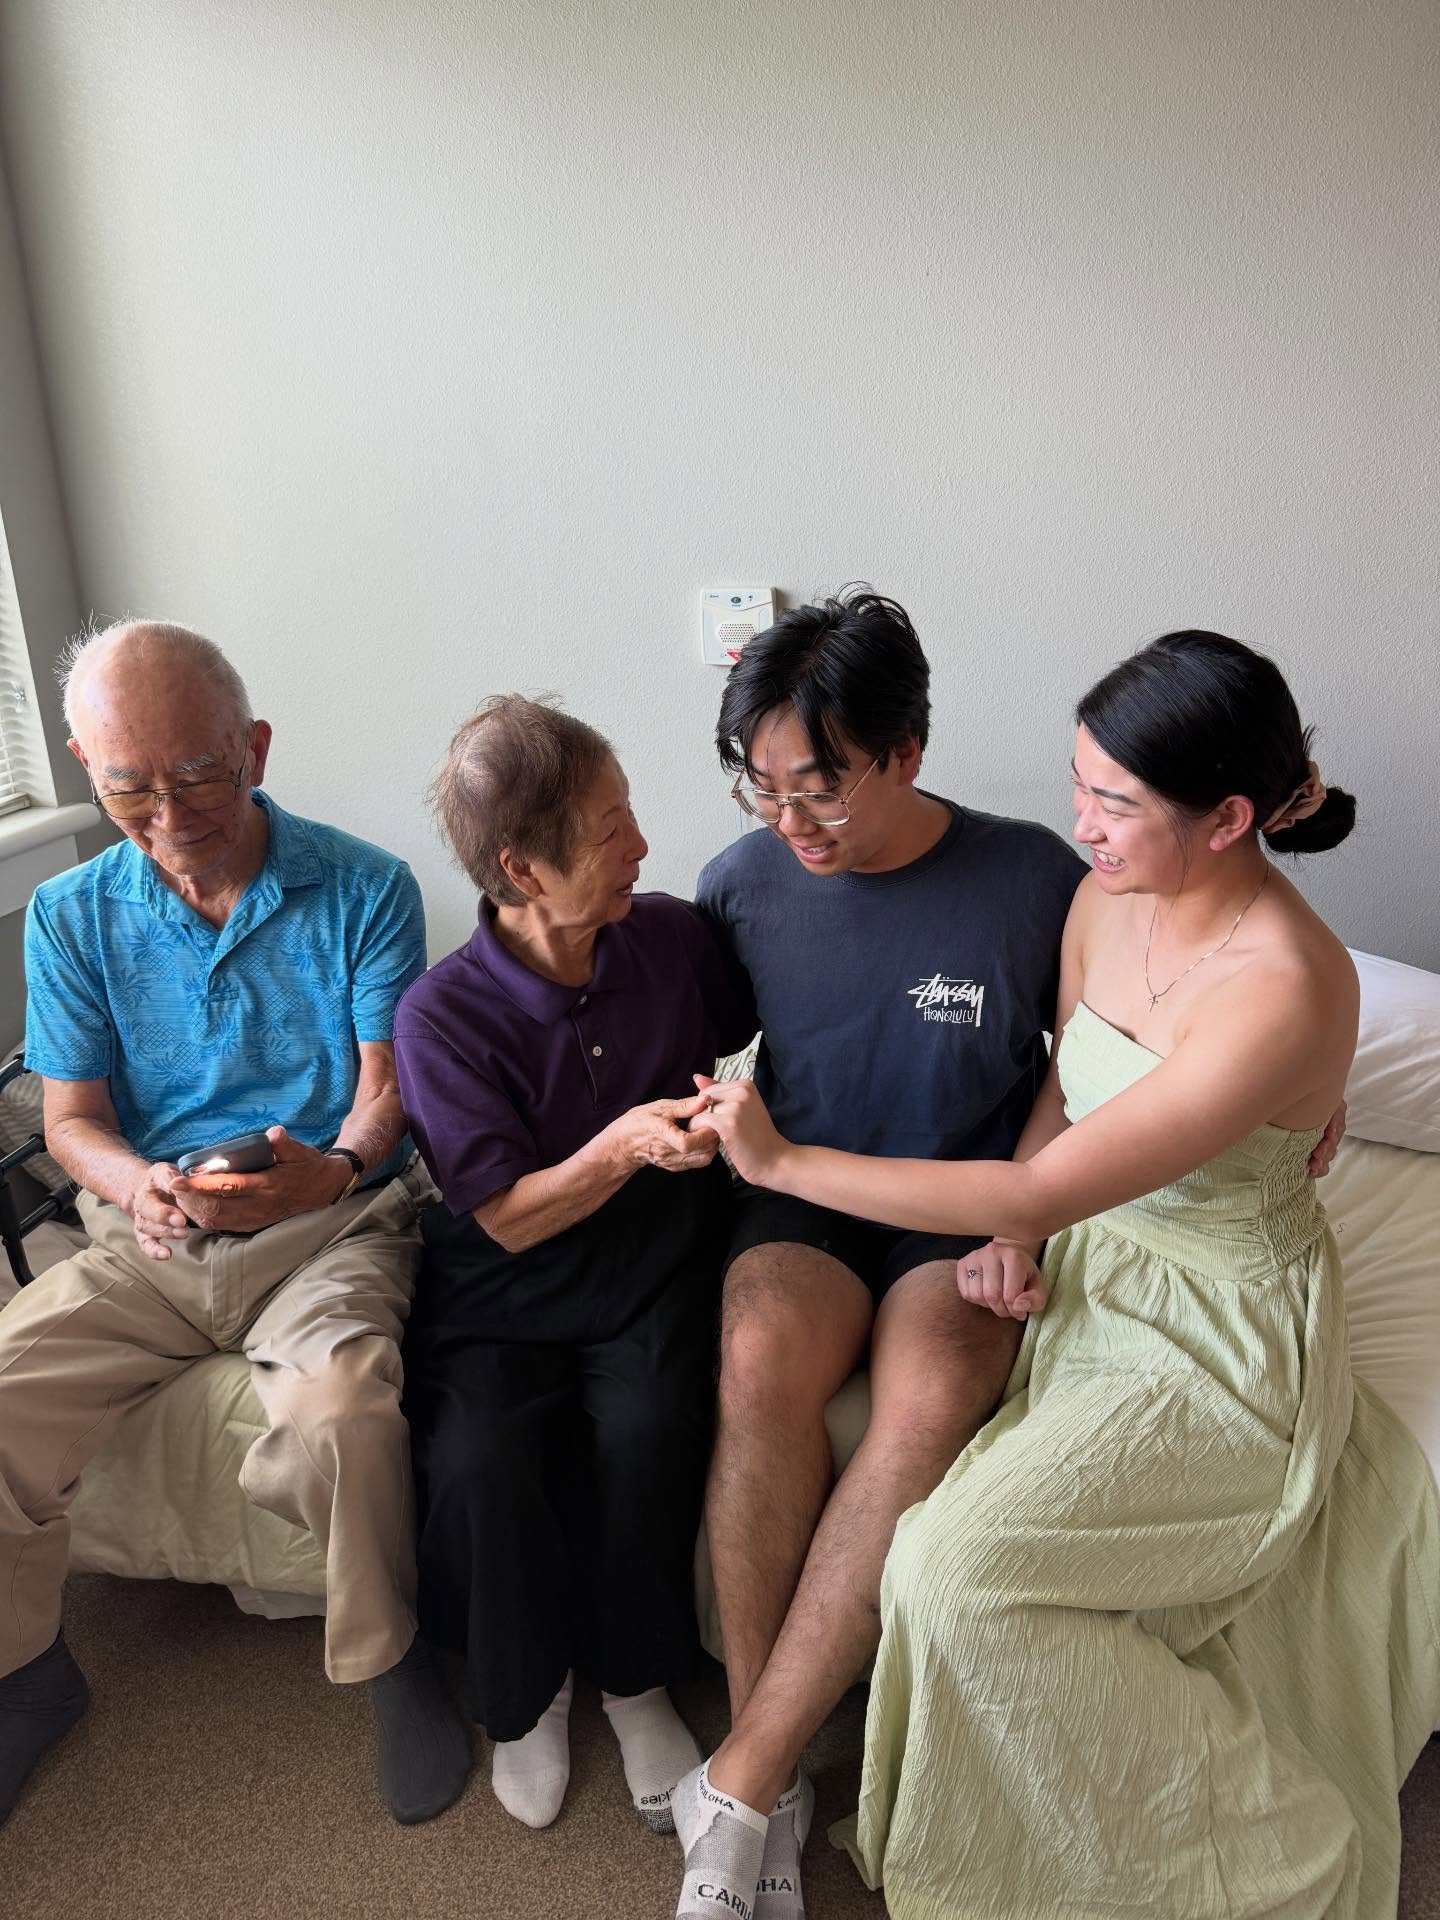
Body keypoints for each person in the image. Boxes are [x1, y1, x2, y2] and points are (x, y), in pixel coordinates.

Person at [693, 630, 1439, 1919]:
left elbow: (1037, 1182)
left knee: (953, 1571)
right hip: (1097, 1270)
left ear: (1230, 820)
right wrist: (1026, 1242)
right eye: (1078, 782)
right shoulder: (1104, 897)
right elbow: (1064, 1090)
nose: (1079, 821)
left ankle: (1284, 1855)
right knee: (894, 1505)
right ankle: (810, 1780)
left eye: (1114, 801)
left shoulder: (1283, 983)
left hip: (1217, 1327)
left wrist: (790, 1163)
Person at [0, 621, 468, 1829]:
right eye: (127, 787)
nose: (167, 812)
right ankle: (24, 1676)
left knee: (345, 1410)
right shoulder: (69, 913)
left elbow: (390, 1088)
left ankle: (391, 1660)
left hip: (327, 1227)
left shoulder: (363, 884)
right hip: (151, 1239)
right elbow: (71, 1120)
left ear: (254, 749)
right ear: (81, 767)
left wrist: (339, 1169)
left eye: (199, 775)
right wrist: (132, 1179)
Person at [391, 695, 753, 1835]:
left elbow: (769, 1029)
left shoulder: (670, 937)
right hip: (503, 1287)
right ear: (523, 869)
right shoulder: (440, 1015)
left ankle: (635, 1678)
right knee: (482, 1458)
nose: (640, 843)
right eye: (609, 828)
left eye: (628, 810)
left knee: (648, 1426)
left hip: (648, 1266)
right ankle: (525, 1695)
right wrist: (624, 1144)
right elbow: (500, 1217)